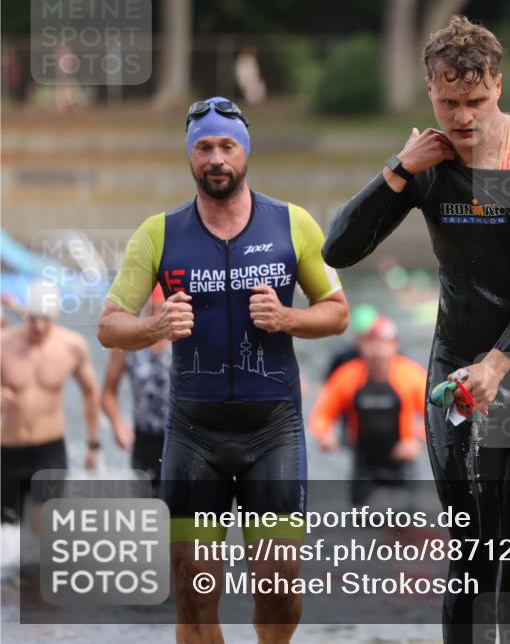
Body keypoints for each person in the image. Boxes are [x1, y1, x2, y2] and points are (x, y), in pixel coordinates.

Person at [323, 16, 510, 644]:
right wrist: (399, 169)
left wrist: (499, 363)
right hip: (456, 363)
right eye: (448, 102)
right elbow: (338, 249)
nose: (463, 118)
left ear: (498, 84)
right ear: (429, 93)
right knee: (470, 552)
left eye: (476, 101)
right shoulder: (428, 162)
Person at [97, 96, 349, 644]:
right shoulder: (159, 233)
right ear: (190, 157)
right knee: (193, 593)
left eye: (226, 146)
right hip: (193, 435)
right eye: (204, 147)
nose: (216, 158)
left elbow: (338, 313)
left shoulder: (293, 223)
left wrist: (286, 318)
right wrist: (155, 330)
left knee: (279, 590)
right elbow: (109, 325)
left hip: (273, 431)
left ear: (245, 152)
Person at [1, 280, 101, 526]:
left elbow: (90, 391)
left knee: (43, 534)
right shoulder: (4, 344)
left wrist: (93, 443)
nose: (38, 326)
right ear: (26, 314)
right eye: (33, 318)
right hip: (8, 451)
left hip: (49, 451)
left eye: (45, 319)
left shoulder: (71, 346)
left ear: (55, 316)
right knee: (6, 534)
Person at [309, 316, 426, 506]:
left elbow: (434, 415)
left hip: (401, 461)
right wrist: (324, 435)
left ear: (394, 345)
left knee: (408, 523)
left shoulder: (411, 375)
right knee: (360, 524)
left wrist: (417, 442)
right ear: (360, 346)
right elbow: (322, 413)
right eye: (370, 343)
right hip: (363, 463)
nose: (377, 350)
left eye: (382, 343)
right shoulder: (347, 376)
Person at [100, 285, 170, 495]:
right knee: (150, 511)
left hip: (181, 438)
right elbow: (107, 393)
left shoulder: (185, 339)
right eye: (152, 309)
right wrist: (118, 424)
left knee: (183, 513)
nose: (157, 314)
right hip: (144, 438)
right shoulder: (128, 344)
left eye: (161, 308)